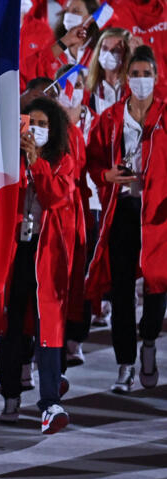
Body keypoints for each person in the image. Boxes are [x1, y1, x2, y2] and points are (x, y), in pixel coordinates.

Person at [0, 97, 83, 435]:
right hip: (17, 254)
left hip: (47, 257)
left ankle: (50, 403)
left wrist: (36, 162)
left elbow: (57, 197)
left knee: (49, 330)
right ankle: (10, 395)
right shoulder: (8, 162)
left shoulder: (63, 162)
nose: (37, 130)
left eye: (44, 125)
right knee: (12, 328)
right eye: (33, 123)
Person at [85, 46, 166, 394]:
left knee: (157, 284)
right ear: (127, 78)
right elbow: (92, 160)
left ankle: (148, 342)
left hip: (158, 215)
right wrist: (106, 176)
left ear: (157, 78)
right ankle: (125, 365)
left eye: (147, 73)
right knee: (120, 292)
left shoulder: (165, 116)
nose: (141, 80)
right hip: (122, 212)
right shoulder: (111, 118)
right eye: (136, 74)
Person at [19, 0, 99, 90]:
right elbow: (30, 70)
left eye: (76, 11)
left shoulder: (101, 49)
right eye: (67, 11)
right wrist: (65, 41)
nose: (69, 15)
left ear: (90, 18)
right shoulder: (53, 44)